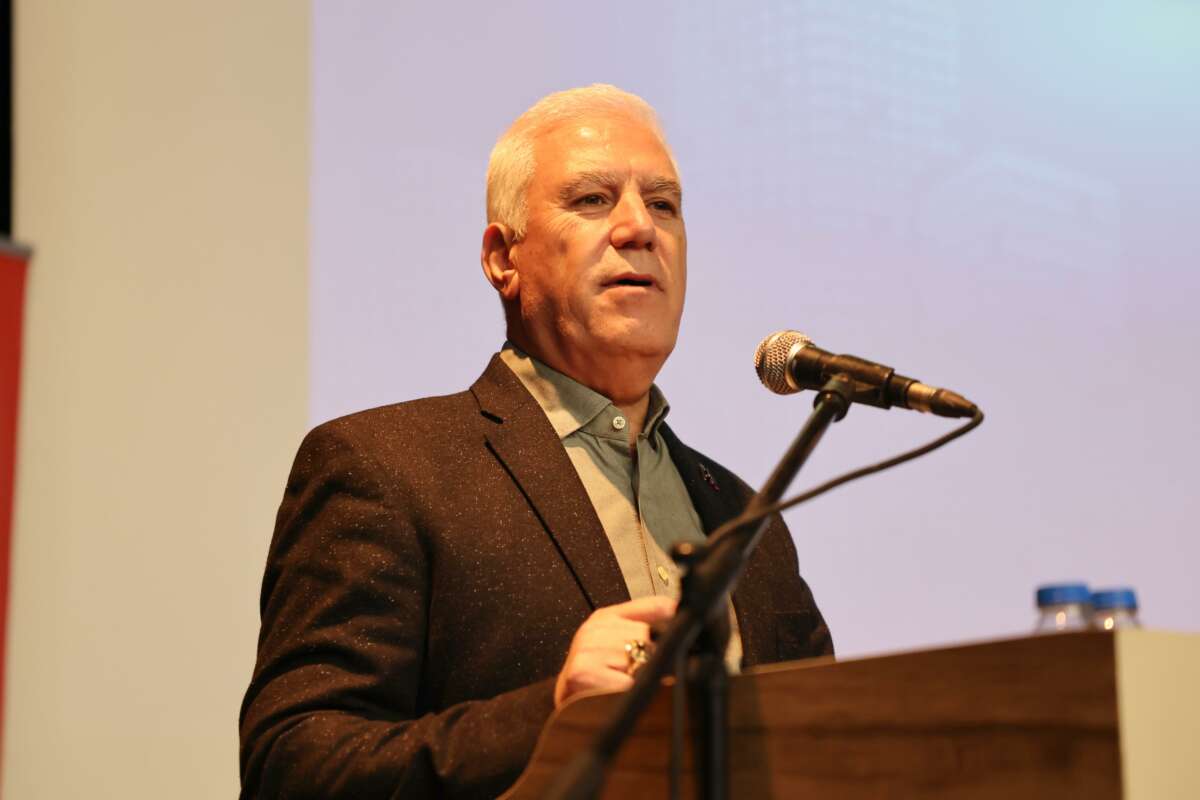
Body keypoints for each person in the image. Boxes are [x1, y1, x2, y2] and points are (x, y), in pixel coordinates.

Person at [239, 84, 832, 800]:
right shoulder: (384, 469)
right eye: (593, 200)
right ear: (502, 258)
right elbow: (291, 768)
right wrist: (552, 714)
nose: (639, 228)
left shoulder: (747, 522)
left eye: (664, 205)